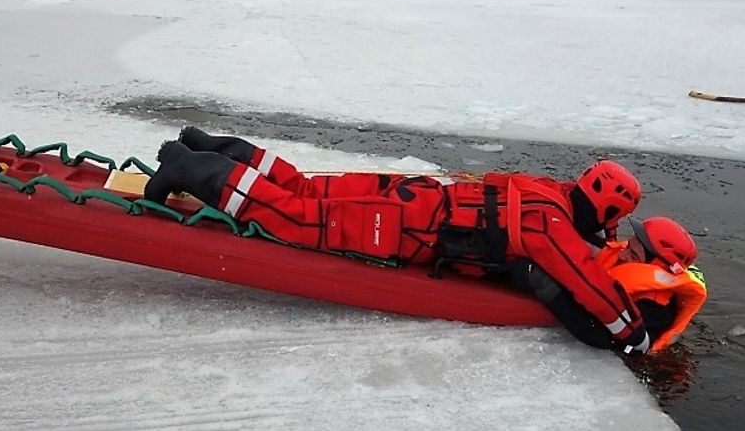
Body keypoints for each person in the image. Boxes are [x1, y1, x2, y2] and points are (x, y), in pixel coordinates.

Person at [145, 126, 656, 354]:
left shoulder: (548, 192)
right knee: (293, 219)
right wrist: (632, 331)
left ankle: (217, 148)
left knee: (301, 185)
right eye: (612, 224)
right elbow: (587, 283)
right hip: (406, 227)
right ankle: (193, 167)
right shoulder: (553, 226)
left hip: (412, 195)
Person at [524, 215, 708, 353]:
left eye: (632, 254)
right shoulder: (623, 257)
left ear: (656, 267)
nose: (622, 254)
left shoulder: (653, 310)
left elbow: (604, 337)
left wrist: (552, 293)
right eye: (628, 246)